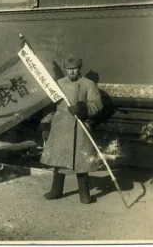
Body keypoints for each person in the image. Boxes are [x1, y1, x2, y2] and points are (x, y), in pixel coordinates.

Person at [38, 56, 103, 204]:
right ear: (66, 69)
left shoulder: (89, 84)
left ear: (79, 68)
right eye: (69, 69)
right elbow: (50, 107)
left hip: (80, 126)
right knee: (59, 159)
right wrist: (46, 124)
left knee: (81, 161)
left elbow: (97, 104)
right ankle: (56, 190)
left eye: (74, 69)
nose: (71, 72)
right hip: (60, 126)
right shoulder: (58, 85)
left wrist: (82, 108)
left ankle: (84, 193)